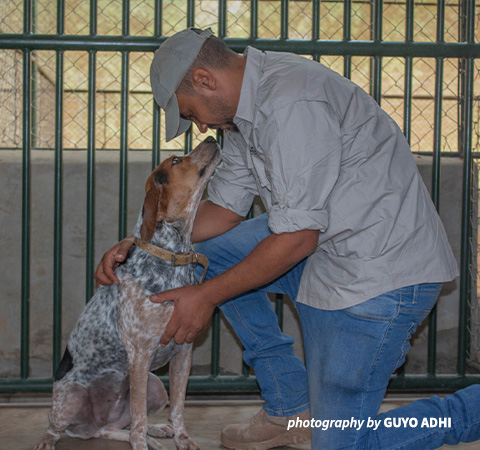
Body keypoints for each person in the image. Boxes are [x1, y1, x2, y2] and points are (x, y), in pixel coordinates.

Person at [95, 28, 480, 450]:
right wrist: (140, 243)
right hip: (328, 250)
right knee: (203, 254)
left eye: (191, 113)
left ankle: (468, 412)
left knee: (340, 444)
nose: (200, 125)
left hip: (377, 273)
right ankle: (289, 407)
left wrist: (204, 297)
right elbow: (220, 213)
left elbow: (297, 239)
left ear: (205, 80)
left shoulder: (291, 103)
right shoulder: (242, 114)